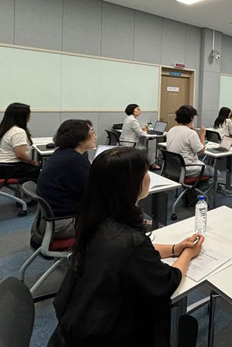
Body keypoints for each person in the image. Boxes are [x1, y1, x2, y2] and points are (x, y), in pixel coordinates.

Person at [48, 147, 204, 347]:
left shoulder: (95, 221)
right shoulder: (130, 241)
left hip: (77, 328)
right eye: (145, 172)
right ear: (130, 185)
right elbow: (167, 281)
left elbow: (127, 254)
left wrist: (175, 248)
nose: (149, 177)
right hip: (113, 335)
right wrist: (189, 253)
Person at [36, 120, 96, 239]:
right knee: (114, 220)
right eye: (92, 132)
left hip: (50, 220)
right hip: (62, 223)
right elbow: (94, 193)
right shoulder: (74, 160)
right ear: (79, 137)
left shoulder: (63, 154)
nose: (95, 136)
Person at [0, 102, 40, 180]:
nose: (30, 117)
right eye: (28, 115)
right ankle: (29, 192)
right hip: (9, 168)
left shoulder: (6, 129)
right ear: (22, 117)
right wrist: (33, 162)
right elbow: (20, 155)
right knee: (39, 170)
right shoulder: (18, 131)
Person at [166, 105, 207, 177]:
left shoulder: (171, 130)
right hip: (188, 168)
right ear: (191, 117)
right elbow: (201, 151)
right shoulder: (191, 133)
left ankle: (193, 186)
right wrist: (202, 135)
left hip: (173, 168)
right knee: (215, 172)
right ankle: (197, 187)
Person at [120, 103, 159, 170]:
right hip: (130, 143)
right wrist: (147, 132)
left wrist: (141, 129)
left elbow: (134, 129)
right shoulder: (133, 120)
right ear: (132, 110)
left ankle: (148, 164)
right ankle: (151, 164)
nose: (139, 111)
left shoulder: (128, 118)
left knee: (144, 146)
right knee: (145, 147)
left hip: (124, 141)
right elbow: (141, 134)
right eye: (137, 109)